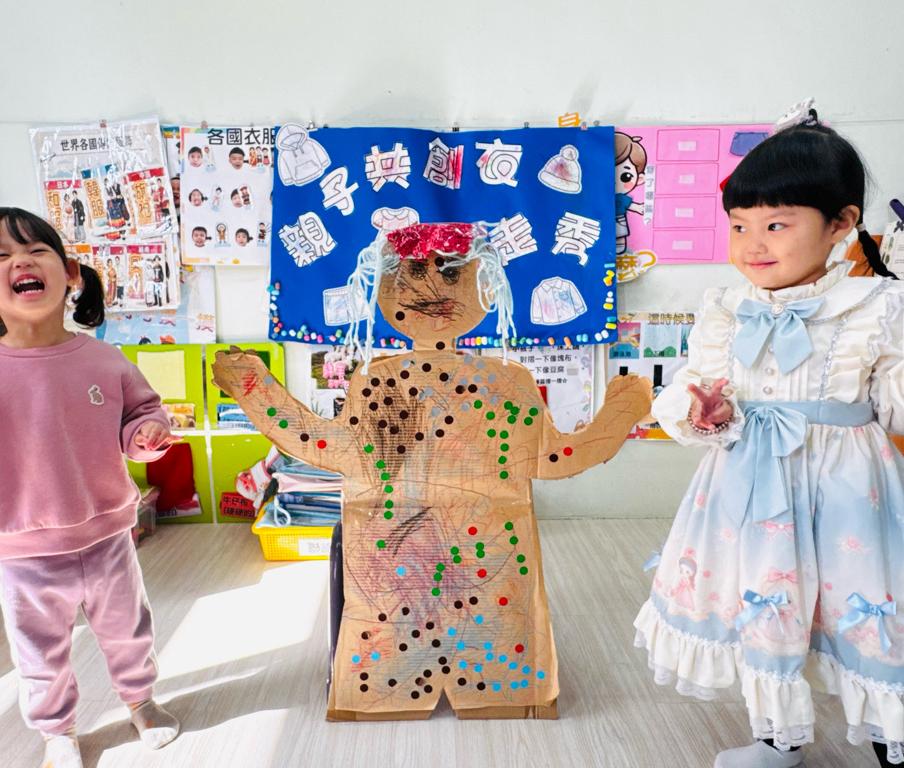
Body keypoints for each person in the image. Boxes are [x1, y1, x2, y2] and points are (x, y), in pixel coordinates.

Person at [211, 222, 652, 721]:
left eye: (451, 273)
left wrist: (617, 417)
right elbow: (335, 448)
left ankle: (481, 689)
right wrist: (257, 392)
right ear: (384, 291)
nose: (432, 287)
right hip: (402, 566)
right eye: (414, 272)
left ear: (484, 288)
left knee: (480, 633)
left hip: (473, 566)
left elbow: (549, 457)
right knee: (408, 636)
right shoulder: (380, 380)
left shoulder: (505, 382)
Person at [633, 115, 904, 767]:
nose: (753, 245)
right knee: (765, 606)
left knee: (871, 615)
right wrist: (704, 410)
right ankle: (778, 741)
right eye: (739, 225)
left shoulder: (876, 305)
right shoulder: (725, 308)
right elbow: (696, 384)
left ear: (840, 223)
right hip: (749, 494)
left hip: (850, 497)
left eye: (776, 225)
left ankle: (902, 743)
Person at [0, 208, 180, 768]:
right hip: (21, 548)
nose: (23, 262)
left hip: (107, 534)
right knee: (39, 651)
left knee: (129, 631)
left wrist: (147, 436)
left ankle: (141, 701)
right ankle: (57, 730)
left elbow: (141, 416)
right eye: (2, 255)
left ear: (70, 273)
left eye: (37, 250)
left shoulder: (105, 358)